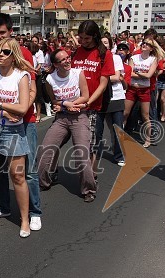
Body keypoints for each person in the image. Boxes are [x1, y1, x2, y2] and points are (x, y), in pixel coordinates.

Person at [0, 13, 40, 231]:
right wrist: (4, 112)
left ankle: (32, 214)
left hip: (23, 123)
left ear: (10, 31)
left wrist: (16, 111)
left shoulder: (23, 59)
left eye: (2, 33)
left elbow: (29, 94)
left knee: (25, 173)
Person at [38, 49, 93, 201]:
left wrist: (71, 104)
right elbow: (53, 100)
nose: (67, 61)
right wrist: (64, 104)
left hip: (79, 117)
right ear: (56, 64)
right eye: (63, 60)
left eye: (68, 58)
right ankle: (44, 181)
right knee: (46, 149)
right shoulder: (50, 79)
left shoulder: (78, 73)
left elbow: (85, 96)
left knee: (82, 153)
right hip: (62, 118)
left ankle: (88, 189)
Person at [70, 20, 114, 201]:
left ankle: (90, 180)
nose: (83, 41)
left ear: (95, 36)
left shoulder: (105, 55)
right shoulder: (77, 52)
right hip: (73, 105)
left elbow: (103, 85)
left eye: (86, 38)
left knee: (91, 145)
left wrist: (88, 102)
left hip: (93, 107)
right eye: (80, 38)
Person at [123, 37, 165, 148]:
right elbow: (130, 73)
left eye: (147, 44)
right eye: (143, 43)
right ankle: (120, 135)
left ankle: (148, 139)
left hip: (144, 90)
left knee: (145, 116)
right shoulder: (134, 57)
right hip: (132, 88)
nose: (144, 45)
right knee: (125, 113)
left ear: (151, 48)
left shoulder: (153, 59)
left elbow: (149, 76)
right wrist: (143, 73)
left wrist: (139, 72)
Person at [94, 36, 126, 168]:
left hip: (116, 97)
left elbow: (116, 77)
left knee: (117, 128)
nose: (103, 44)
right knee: (97, 130)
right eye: (101, 42)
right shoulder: (94, 58)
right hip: (99, 97)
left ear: (111, 45)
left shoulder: (116, 58)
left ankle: (119, 155)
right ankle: (95, 155)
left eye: (106, 42)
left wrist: (100, 77)